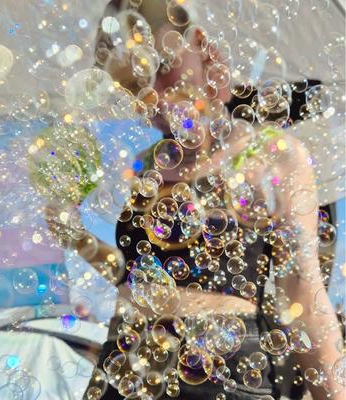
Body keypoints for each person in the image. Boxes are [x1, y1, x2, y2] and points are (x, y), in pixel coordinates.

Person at [46, 1, 344, 399]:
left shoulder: (270, 156)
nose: (154, 95)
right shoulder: (145, 165)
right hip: (125, 364)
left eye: (162, 66)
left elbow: (303, 293)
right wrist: (76, 237)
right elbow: (138, 278)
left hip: (220, 371)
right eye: (134, 84)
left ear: (201, 45)